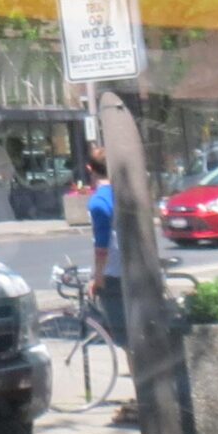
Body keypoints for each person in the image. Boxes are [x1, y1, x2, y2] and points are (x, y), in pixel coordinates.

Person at [86, 143, 126, 349]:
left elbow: (102, 245)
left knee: (125, 337)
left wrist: (98, 277)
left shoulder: (98, 201)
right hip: (134, 267)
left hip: (114, 273)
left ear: (90, 169)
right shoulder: (125, 193)